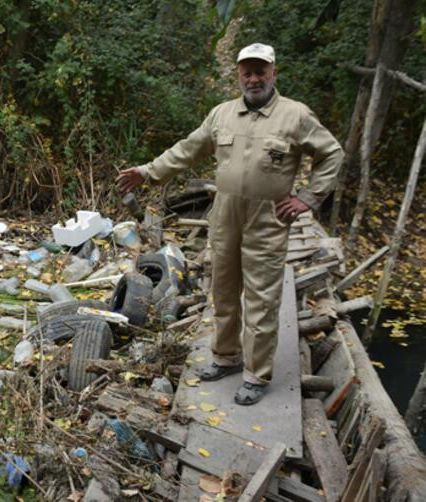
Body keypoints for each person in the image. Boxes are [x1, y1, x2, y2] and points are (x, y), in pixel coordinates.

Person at [117, 43, 343, 405]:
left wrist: (308, 198)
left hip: (268, 218)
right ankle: (226, 357)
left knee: (262, 298)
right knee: (222, 290)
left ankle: (256, 374)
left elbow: (331, 152)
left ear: (273, 73)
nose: (254, 78)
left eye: (260, 71)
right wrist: (148, 172)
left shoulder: (295, 115)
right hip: (224, 214)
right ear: (239, 75)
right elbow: (188, 149)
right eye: (247, 72)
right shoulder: (222, 114)